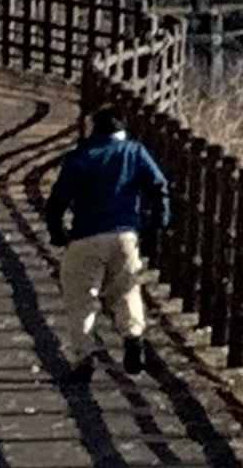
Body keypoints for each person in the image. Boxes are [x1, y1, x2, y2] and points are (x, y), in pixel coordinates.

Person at [43, 105, 169, 384]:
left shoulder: (80, 157)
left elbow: (58, 199)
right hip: (126, 233)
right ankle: (133, 335)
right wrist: (158, 222)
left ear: (95, 127)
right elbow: (158, 185)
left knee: (82, 298)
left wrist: (55, 229)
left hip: (87, 234)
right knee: (126, 289)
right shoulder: (135, 152)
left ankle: (84, 356)